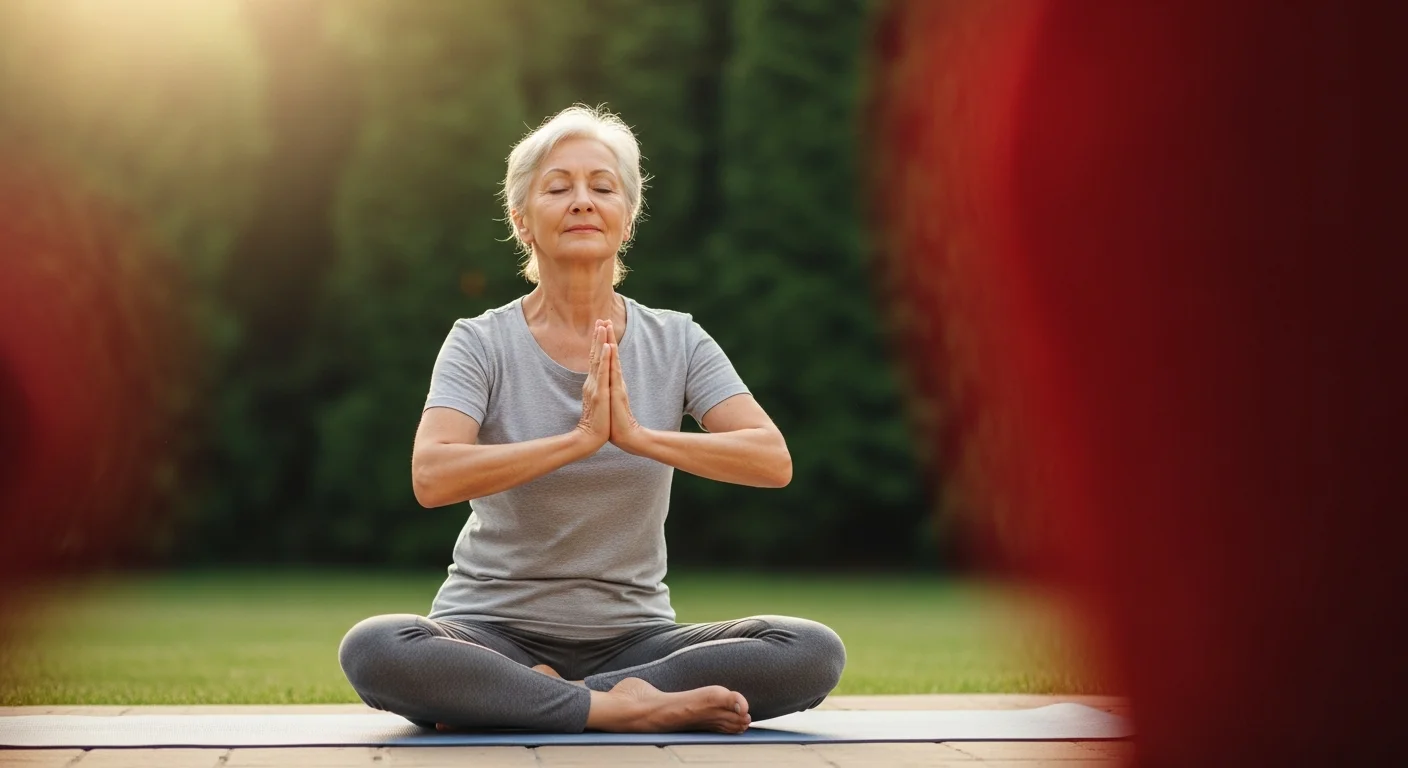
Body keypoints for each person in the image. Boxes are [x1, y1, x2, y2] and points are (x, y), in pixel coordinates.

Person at [338, 105, 846, 734]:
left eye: (602, 187)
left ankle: (545, 699)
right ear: (522, 220)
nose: (582, 201)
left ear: (626, 218)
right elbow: (432, 474)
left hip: (636, 642)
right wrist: (577, 441)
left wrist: (637, 437)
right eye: (559, 188)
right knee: (375, 647)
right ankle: (614, 707)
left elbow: (771, 460)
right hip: (489, 629)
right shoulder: (480, 341)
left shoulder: (678, 340)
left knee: (810, 650)